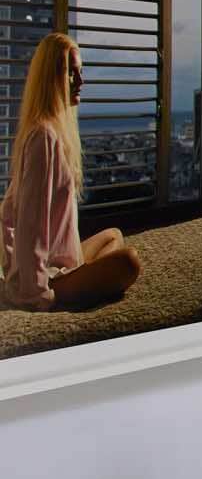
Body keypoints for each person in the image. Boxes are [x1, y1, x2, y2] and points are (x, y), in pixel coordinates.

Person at [1, 32, 141, 311]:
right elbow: (30, 225)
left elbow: (8, 212)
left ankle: (75, 276)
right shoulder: (44, 138)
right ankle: (49, 286)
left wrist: (9, 261)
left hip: (57, 262)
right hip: (44, 279)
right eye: (70, 73)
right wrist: (35, 292)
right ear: (50, 78)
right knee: (128, 262)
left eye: (80, 72)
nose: (81, 81)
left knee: (112, 235)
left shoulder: (52, 132)